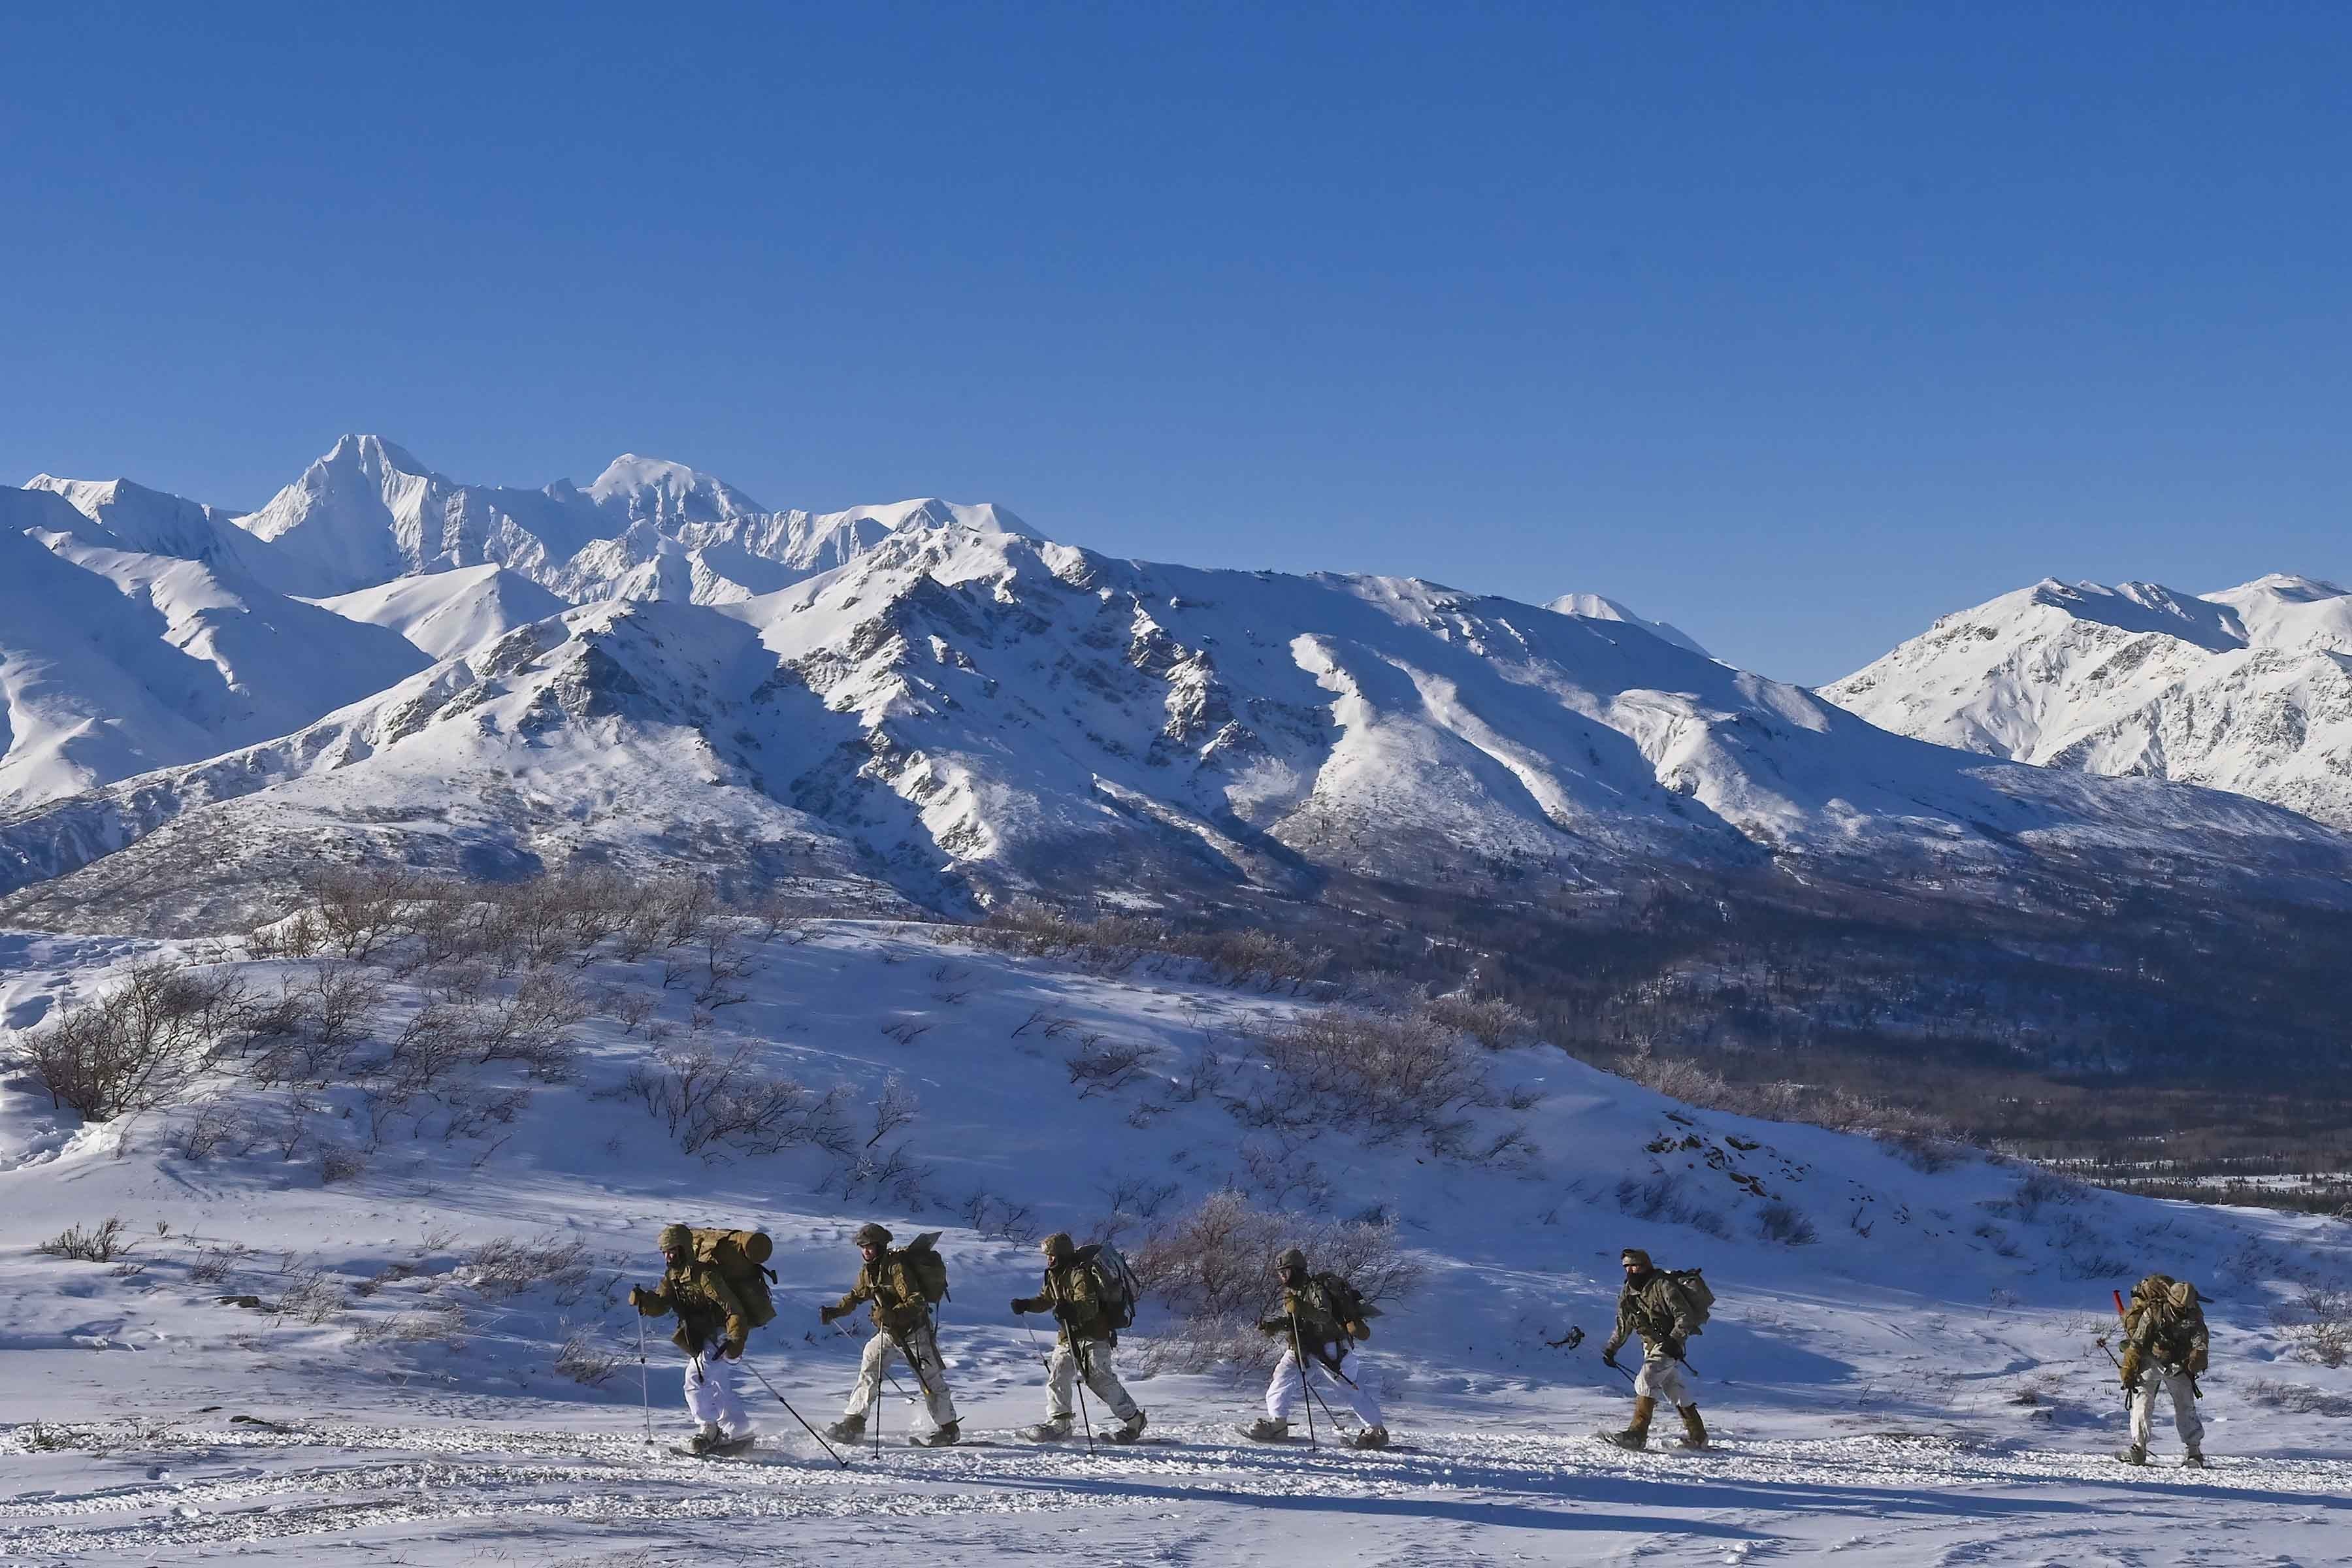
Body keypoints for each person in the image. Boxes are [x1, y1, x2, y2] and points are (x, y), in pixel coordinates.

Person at [819, 1222, 960, 1446]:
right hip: (889, 1333)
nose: (865, 1251)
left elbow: (916, 1300)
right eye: (862, 1247)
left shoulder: (897, 1268)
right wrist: (836, 1311)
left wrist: (893, 1315)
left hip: (915, 1333)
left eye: (869, 1246)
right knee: (869, 1367)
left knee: (930, 1379)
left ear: (881, 1246)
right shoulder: (869, 1271)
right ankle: (854, 1424)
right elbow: (856, 1296)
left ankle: (949, 1429)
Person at [629, 1222, 757, 1457]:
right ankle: (739, 1430)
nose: (668, 1256)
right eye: (665, 1252)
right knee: (716, 1383)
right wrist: (645, 1301)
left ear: (685, 1250)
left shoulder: (705, 1275)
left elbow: (733, 1308)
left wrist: (736, 1338)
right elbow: (661, 1305)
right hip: (699, 1335)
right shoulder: (672, 1277)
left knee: (696, 1379)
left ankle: (709, 1430)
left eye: (673, 1251)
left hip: (718, 1334)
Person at [1244, 1247, 1388, 1449]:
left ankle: (1377, 1431)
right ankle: (1278, 1423)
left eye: (1285, 1272)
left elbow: (1324, 1316)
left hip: (1331, 1348)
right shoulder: (1293, 1293)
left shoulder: (1315, 1289)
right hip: (1304, 1346)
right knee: (1283, 1376)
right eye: (1280, 1273)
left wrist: (1300, 1308)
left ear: (1297, 1270)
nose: (1283, 1277)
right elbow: (1295, 1319)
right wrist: (1274, 1326)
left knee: (1348, 1388)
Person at [1011, 1232, 1147, 1442]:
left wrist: (1072, 1312)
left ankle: (1134, 1420)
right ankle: (1060, 1423)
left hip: (1094, 1335)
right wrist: (1027, 1305)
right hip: (1068, 1336)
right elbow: (1046, 1299)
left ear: (1061, 1254)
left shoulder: (1079, 1274)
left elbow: (1088, 1305)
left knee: (1100, 1381)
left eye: (1051, 1255)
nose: (1048, 1259)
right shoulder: (1054, 1275)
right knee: (1058, 1377)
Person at [1601, 1247, 1708, 1450]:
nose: (1631, 1270)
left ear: (1646, 1265)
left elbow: (1685, 1317)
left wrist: (1675, 1340)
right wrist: (1611, 1349)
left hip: (1669, 1346)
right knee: (1674, 1388)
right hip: (1649, 1346)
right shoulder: (1628, 1292)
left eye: (1636, 1266)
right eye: (1627, 1267)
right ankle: (1699, 1436)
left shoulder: (1663, 1285)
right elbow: (1624, 1325)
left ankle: (1637, 1434)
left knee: (1647, 1377)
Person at [2117, 1273, 2209, 1467]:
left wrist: (2198, 1357)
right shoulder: (2154, 1312)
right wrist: (2129, 1370)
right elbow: (2137, 1344)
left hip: (2180, 1364)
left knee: (2186, 1406)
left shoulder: (2195, 1314)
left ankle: (2194, 1451)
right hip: (2152, 1360)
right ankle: (2138, 1447)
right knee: (2142, 1402)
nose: (2185, 1310)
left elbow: (2201, 1339)